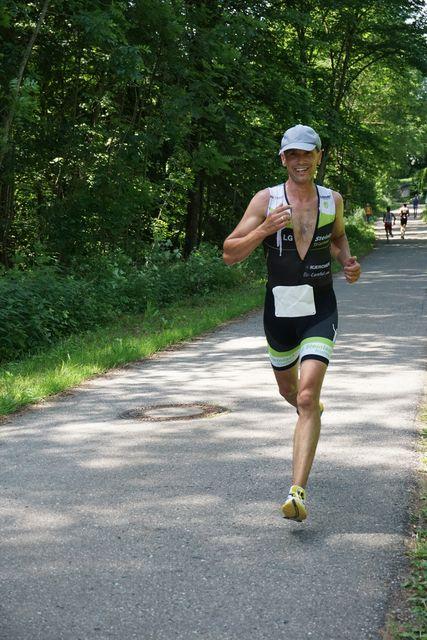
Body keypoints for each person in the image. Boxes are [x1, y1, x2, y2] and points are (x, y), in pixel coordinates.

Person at [223, 124, 361, 522]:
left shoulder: (332, 200)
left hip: (320, 308)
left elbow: (337, 238)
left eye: (308, 153)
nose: (301, 161)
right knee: (291, 392)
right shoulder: (266, 199)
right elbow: (230, 253)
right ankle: (312, 413)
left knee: (305, 397)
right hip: (279, 312)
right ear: (283, 159)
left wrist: (347, 262)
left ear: (319, 156)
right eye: (293, 154)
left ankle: (297, 493)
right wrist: (265, 228)